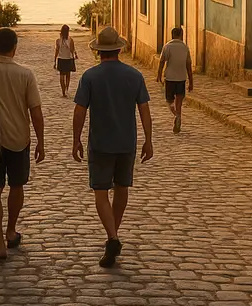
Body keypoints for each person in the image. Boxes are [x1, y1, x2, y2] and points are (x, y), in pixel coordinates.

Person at [73, 26, 153, 267]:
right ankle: (113, 237)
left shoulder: (89, 77)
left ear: (98, 52)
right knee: (122, 189)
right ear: (119, 49)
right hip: (126, 143)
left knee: (101, 193)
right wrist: (148, 140)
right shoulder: (135, 76)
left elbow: (80, 111)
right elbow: (144, 110)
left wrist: (76, 139)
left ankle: (112, 237)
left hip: (100, 144)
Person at [0, 27, 45, 261]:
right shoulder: (26, 74)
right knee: (17, 186)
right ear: (15, 48)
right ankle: (10, 230)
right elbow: (36, 113)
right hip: (19, 139)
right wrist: (41, 142)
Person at [156, 26, 194, 134]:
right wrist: (191, 82)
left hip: (170, 78)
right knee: (179, 101)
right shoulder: (185, 48)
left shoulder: (167, 47)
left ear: (172, 35)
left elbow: (162, 61)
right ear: (181, 35)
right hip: (182, 78)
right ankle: (178, 118)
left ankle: (177, 116)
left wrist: (159, 75)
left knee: (169, 101)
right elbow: (189, 66)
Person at [54, 24, 77, 97]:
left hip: (62, 59)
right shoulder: (69, 40)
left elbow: (57, 51)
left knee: (63, 76)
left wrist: (54, 60)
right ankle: (65, 89)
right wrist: (75, 54)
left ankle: (64, 91)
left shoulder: (59, 40)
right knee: (67, 76)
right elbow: (72, 49)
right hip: (67, 59)